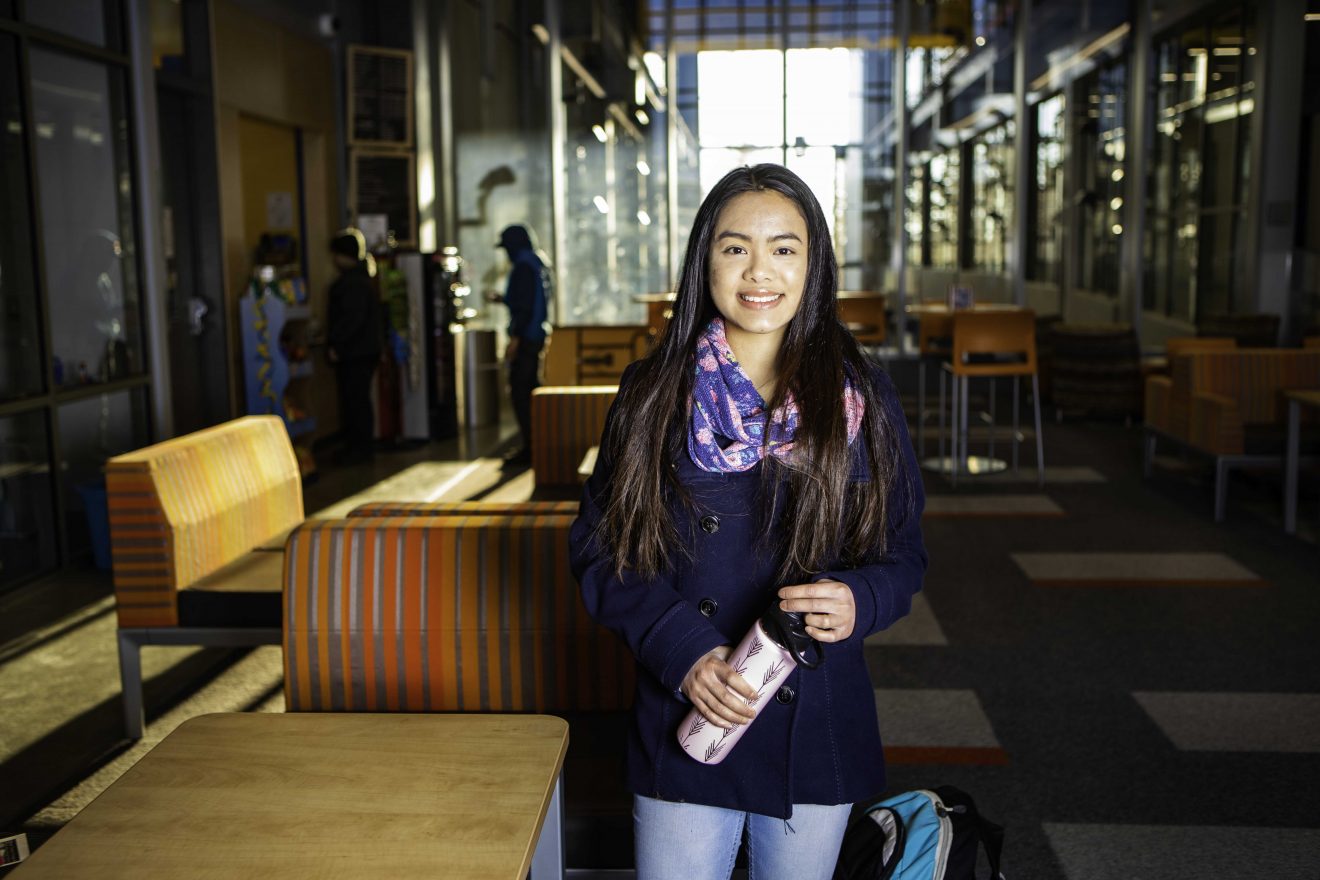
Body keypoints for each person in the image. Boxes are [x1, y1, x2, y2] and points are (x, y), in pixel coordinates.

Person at [569, 164, 927, 880]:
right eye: (735, 247)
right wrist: (684, 653)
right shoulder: (652, 393)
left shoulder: (861, 397)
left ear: (813, 264)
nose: (759, 271)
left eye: (783, 248)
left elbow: (904, 553)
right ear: (704, 262)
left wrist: (859, 600)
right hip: (689, 708)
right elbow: (602, 550)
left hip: (813, 716)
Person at [490, 224, 550, 466]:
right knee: (530, 392)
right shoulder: (538, 262)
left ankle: (531, 449)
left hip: (526, 338)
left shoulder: (523, 267)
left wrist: (514, 339)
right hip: (536, 335)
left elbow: (524, 308)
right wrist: (504, 300)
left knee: (521, 394)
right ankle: (536, 445)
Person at [326, 228, 383, 465]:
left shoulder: (351, 284)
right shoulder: (364, 278)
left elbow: (352, 319)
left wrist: (336, 343)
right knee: (359, 400)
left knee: (355, 401)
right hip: (365, 350)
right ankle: (361, 447)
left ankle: (358, 449)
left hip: (355, 352)